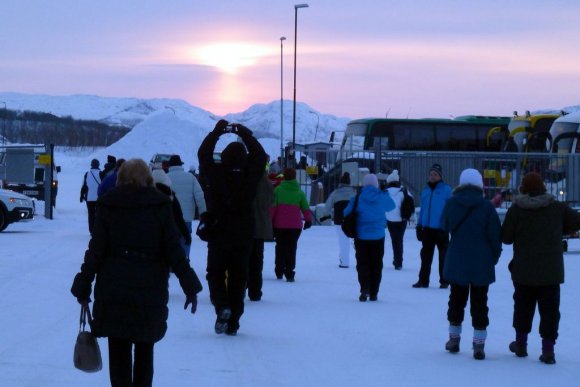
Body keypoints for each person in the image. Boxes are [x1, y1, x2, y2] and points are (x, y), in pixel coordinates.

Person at [70, 158, 202, 387]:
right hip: (149, 291)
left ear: (120, 179)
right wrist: (189, 285)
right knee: (145, 351)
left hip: (113, 290)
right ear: (148, 180)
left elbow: (96, 251)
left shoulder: (108, 205)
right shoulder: (161, 206)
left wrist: (84, 283)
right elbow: (175, 250)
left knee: (118, 353)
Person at [501, 172, 580, 365]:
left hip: (524, 271)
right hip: (550, 272)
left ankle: (520, 345)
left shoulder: (517, 210)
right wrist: (558, 229)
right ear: (543, 188)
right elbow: (577, 221)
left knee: (522, 308)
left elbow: (506, 237)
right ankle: (548, 351)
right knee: (550, 311)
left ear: (523, 189)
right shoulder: (556, 208)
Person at [198, 119, 267, 336]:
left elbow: (203, 154)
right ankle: (234, 322)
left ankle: (222, 307)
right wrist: (246, 134)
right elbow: (260, 156)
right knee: (239, 276)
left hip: (219, 229)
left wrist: (216, 132)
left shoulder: (215, 172)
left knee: (215, 272)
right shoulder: (250, 175)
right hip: (244, 230)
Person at [441, 169, 502, 360]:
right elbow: (495, 237)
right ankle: (479, 344)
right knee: (480, 302)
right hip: (481, 261)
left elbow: (443, 226)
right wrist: (492, 258)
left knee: (456, 300)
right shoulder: (487, 207)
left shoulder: (451, 203)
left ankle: (454, 339)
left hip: (457, 259)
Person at [344, 174, 395, 302]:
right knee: (377, 264)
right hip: (378, 236)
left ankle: (364, 288)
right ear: (376, 184)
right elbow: (391, 206)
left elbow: (346, 212)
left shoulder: (357, 198)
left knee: (362, 264)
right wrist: (384, 193)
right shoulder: (381, 196)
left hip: (361, 236)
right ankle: (374, 293)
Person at [413, 163, 452, 289]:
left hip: (441, 229)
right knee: (425, 256)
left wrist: (447, 226)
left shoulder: (447, 190)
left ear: (440, 176)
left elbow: (450, 210)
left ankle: (445, 280)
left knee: (443, 257)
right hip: (427, 229)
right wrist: (419, 225)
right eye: (431, 174)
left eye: (435, 174)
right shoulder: (425, 191)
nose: (432, 176)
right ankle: (423, 280)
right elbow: (423, 210)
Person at [270, 167, 312, 282]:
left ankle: (279, 270)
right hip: (295, 227)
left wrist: (270, 221)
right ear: (294, 177)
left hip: (279, 225)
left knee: (280, 247)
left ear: (284, 176)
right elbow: (305, 208)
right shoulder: (300, 192)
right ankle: (289, 273)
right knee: (291, 248)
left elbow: (272, 208)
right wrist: (308, 220)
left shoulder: (278, 190)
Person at [167, 154, 206, 257]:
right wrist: (203, 213)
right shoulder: (191, 177)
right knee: (185, 239)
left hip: (169, 217)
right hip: (186, 218)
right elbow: (200, 196)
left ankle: (172, 262)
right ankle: (185, 260)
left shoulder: (166, 178)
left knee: (170, 240)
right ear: (181, 165)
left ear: (169, 166)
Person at [247, 170, 275, 301]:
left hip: (245, 225)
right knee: (257, 261)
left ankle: (241, 287)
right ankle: (255, 291)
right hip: (261, 225)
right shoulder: (267, 183)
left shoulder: (245, 178)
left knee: (243, 259)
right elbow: (271, 201)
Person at [321, 172, 357, 268]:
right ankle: (361, 259)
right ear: (349, 182)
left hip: (339, 220)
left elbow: (327, 207)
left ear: (340, 182)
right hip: (352, 220)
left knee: (343, 240)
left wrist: (325, 215)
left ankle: (344, 262)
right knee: (357, 240)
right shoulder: (354, 192)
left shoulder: (335, 193)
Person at [152, 168, 191, 247]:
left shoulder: (146, 196)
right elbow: (179, 218)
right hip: (170, 237)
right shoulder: (171, 197)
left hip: (151, 238)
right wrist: (186, 235)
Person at [385, 170, 408, 270]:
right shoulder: (404, 192)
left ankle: (397, 261)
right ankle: (399, 261)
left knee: (394, 240)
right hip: (402, 220)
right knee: (399, 240)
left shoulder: (385, 192)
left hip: (390, 220)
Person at [79, 159, 102, 236]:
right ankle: (98, 229)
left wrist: (81, 196)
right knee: (98, 214)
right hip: (99, 198)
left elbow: (84, 186)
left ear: (91, 165)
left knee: (91, 214)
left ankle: (91, 231)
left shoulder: (87, 174)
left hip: (89, 198)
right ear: (98, 165)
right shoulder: (101, 173)